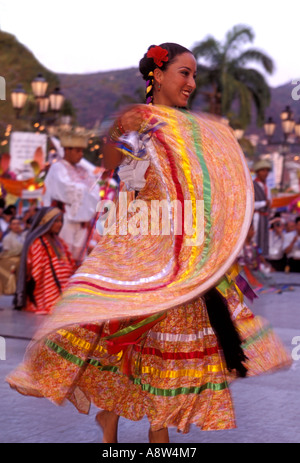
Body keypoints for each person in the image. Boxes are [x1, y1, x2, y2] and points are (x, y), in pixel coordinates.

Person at [7, 43, 291, 443]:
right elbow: (131, 186)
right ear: (157, 75)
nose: (192, 82)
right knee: (130, 340)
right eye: (184, 73)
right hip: (147, 249)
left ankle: (138, 427)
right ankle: (128, 426)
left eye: (194, 74)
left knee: (165, 345)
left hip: (184, 253)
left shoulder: (187, 129)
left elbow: (205, 191)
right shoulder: (140, 124)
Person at [43, 129, 100, 264]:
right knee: (63, 257)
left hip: (83, 222)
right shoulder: (57, 167)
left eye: (82, 151)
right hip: (65, 220)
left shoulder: (84, 170)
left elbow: (95, 190)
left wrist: (87, 213)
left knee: (79, 259)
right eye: (77, 151)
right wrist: (86, 194)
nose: (81, 155)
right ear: (67, 150)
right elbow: (66, 190)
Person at [14, 207, 76, 314]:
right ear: (46, 222)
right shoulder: (38, 242)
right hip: (45, 291)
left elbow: (69, 262)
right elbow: (36, 273)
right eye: (56, 221)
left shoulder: (59, 240)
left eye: (61, 221)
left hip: (65, 288)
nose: (60, 224)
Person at [0, 217, 25, 295]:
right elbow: (7, 253)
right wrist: (22, 249)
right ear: (10, 226)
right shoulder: (7, 238)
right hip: (11, 261)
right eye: (14, 224)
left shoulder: (22, 236)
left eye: (18, 224)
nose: (16, 226)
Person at [253, 160, 272, 257]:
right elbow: (251, 204)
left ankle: (261, 260)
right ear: (258, 172)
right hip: (256, 217)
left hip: (264, 217)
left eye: (267, 171)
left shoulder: (267, 187)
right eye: (263, 170)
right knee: (255, 238)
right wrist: (264, 203)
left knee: (264, 239)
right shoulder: (252, 185)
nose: (265, 173)